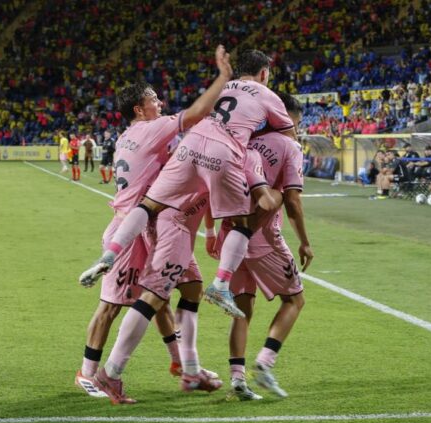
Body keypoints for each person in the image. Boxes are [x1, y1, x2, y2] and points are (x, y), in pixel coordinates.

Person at [83, 50, 296, 318]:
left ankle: (110, 254)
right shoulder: (267, 95)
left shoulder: (221, 89)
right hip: (223, 155)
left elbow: (203, 112)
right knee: (241, 225)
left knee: (148, 206)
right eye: (154, 99)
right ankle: (221, 284)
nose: (160, 102)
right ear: (264, 73)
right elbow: (289, 137)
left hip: (190, 147)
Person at [76, 44, 235, 404]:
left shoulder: (128, 136)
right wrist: (223, 78)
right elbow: (196, 113)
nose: (160, 103)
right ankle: (89, 373)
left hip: (150, 223)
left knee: (177, 290)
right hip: (132, 228)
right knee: (114, 305)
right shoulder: (150, 129)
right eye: (153, 99)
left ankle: (183, 364)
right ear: (139, 109)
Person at [209, 93, 312, 400]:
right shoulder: (290, 146)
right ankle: (265, 363)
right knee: (294, 300)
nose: (297, 129)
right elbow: (292, 201)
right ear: (288, 118)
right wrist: (305, 242)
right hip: (262, 238)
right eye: (297, 123)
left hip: (231, 235)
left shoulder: (244, 141)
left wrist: (211, 230)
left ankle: (238, 380)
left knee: (242, 310)